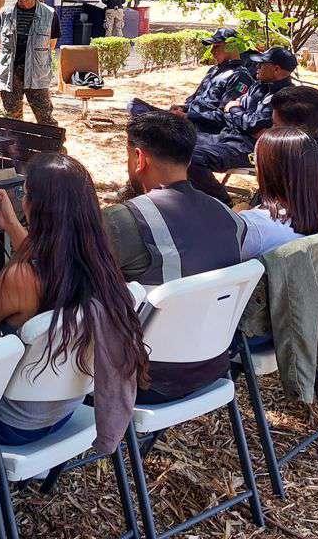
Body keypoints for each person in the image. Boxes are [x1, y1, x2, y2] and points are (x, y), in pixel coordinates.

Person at [0, 157, 146, 452]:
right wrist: (12, 225)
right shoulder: (99, 261)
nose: (22, 201)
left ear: (38, 207)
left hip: (6, 423)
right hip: (63, 412)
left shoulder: (20, 278)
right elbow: (50, 268)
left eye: (24, 194)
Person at [100, 111, 243, 401]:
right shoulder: (229, 216)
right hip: (214, 364)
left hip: (146, 377)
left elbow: (64, 279)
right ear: (189, 159)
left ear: (140, 159)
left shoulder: (124, 221)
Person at [186, 46, 298, 205]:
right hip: (227, 136)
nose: (256, 67)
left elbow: (252, 125)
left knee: (192, 158)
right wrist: (239, 115)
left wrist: (235, 110)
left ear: (276, 69)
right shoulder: (258, 86)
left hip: (248, 148)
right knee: (174, 141)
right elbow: (239, 119)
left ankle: (224, 204)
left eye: (262, 64)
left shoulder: (286, 96)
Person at [130, 28, 255, 134]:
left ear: (231, 46)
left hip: (202, 128)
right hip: (188, 119)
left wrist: (187, 116)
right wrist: (182, 108)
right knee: (135, 106)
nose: (212, 52)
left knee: (145, 123)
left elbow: (225, 116)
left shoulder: (239, 76)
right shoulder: (213, 70)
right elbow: (197, 99)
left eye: (216, 47)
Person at [237, 128, 318, 260]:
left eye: (254, 159)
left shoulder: (253, 226)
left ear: (267, 168)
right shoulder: (313, 215)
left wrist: (236, 215)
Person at [0, 0, 61, 126]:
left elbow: (51, 45)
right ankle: (15, 150)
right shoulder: (5, 13)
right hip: (10, 74)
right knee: (11, 119)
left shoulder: (50, 14)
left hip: (37, 74)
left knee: (46, 119)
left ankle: (54, 149)